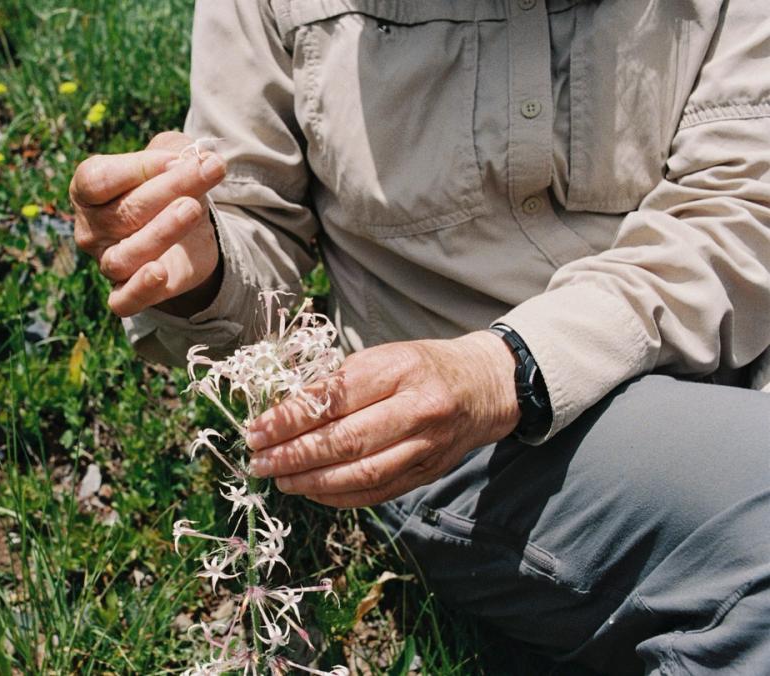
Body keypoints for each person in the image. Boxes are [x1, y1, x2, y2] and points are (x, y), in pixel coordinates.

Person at [69, 1, 770, 673]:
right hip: (456, 444)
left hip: (718, 358)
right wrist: (204, 266)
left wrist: (503, 370)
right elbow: (256, 247)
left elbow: (741, 207)